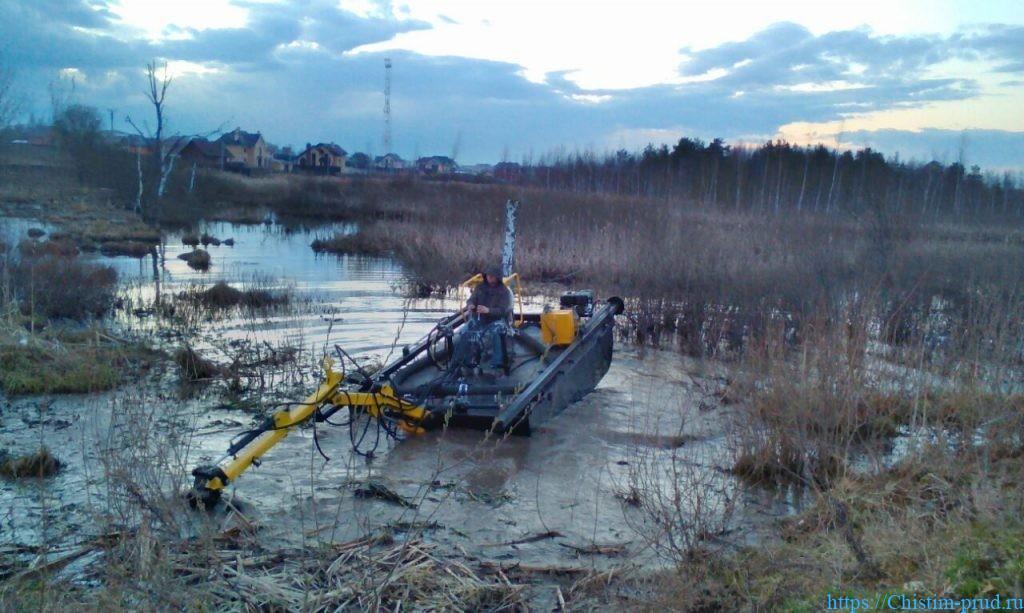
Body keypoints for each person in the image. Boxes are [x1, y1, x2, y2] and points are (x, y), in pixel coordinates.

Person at [453, 265, 513, 374]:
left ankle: (497, 362)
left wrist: (489, 310)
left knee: (496, 331)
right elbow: (471, 300)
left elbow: (504, 310)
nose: (489, 278)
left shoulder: (504, 291)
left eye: (492, 276)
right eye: (488, 276)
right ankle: (463, 361)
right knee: (465, 332)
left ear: (497, 278)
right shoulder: (480, 288)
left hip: (498, 320)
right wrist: (470, 305)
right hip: (480, 319)